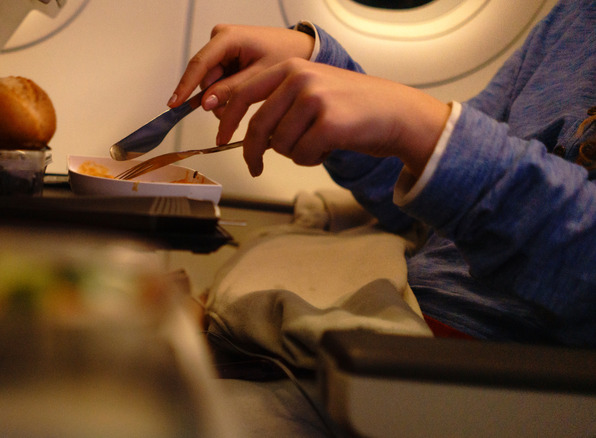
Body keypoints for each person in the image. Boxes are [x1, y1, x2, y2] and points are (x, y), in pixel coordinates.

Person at [167, 0, 595, 347]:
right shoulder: (575, 15)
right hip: (397, 316)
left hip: (481, 369)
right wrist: (321, 66)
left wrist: (418, 125)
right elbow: (443, 200)